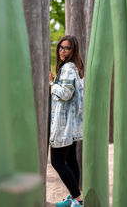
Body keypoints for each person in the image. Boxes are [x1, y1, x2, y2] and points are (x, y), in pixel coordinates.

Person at [49, 35, 84, 207]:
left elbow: (65, 94)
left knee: (57, 161)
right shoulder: (71, 66)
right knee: (71, 160)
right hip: (70, 123)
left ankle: (77, 199)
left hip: (64, 124)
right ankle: (73, 198)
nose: (63, 51)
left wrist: (51, 84)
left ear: (73, 50)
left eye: (67, 48)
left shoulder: (69, 68)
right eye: (61, 47)